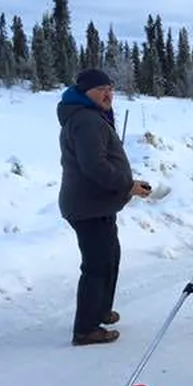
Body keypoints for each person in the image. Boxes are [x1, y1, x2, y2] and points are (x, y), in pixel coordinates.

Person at [57, 67, 150, 346]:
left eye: (110, 89)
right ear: (85, 93)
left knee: (110, 257)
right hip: (88, 206)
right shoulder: (86, 120)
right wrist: (127, 185)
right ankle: (85, 329)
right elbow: (94, 166)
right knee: (97, 266)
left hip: (97, 205)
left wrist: (126, 183)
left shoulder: (90, 115)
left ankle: (100, 310)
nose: (108, 94)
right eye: (101, 90)